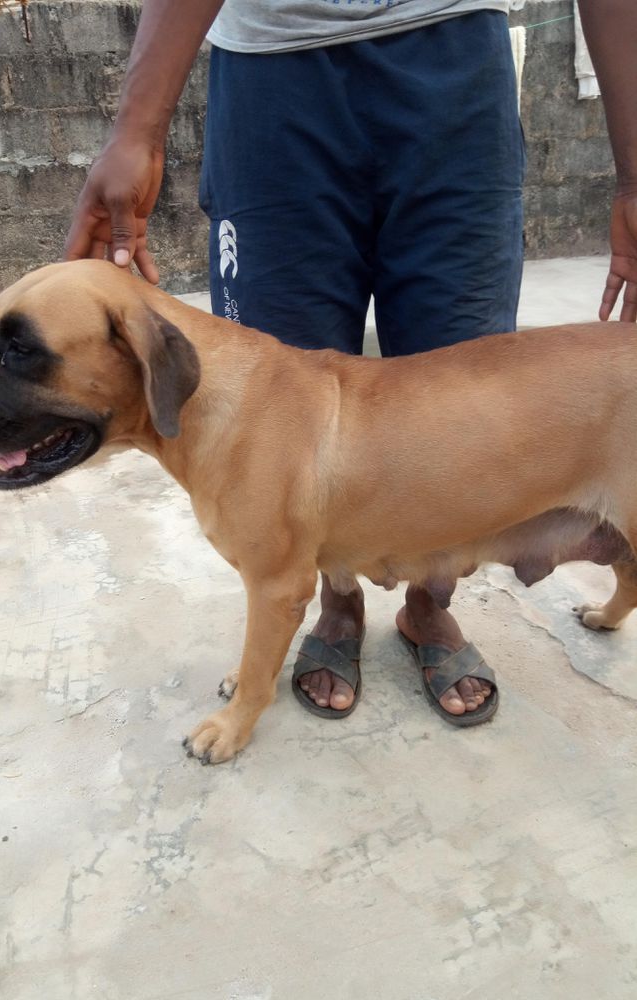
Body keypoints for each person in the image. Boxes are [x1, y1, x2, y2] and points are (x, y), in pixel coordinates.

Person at [65, 0, 637, 726]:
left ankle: (430, 610)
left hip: (454, 59)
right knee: (272, 429)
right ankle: (334, 606)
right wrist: (136, 130)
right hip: (275, 74)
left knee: (467, 415)